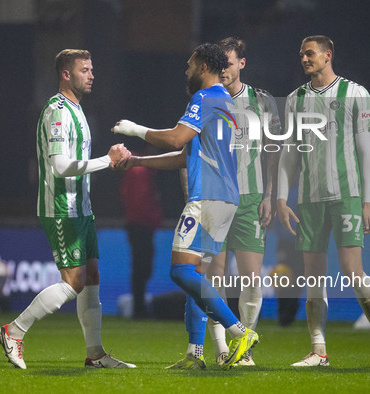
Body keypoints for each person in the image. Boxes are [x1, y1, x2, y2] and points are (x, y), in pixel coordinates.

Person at [112, 43, 259, 370]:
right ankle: (195, 355)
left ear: (205, 66)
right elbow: (183, 156)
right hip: (225, 199)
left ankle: (239, 331)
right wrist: (137, 161)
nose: (186, 71)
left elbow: (177, 139)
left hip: (206, 197)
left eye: (190, 65)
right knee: (198, 274)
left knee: (180, 271)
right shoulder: (224, 103)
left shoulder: (204, 98)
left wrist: (136, 130)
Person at [0, 49, 135, 370]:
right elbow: (59, 167)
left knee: (92, 277)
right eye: (85, 70)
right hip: (61, 208)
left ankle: (96, 354)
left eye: (92, 69)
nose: (92, 75)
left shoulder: (77, 110)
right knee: (73, 282)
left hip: (81, 209)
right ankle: (13, 331)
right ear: (66, 74)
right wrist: (108, 160)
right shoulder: (57, 112)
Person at [277, 36, 370, 367]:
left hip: (346, 196)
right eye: (301, 53)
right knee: (313, 277)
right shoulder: (295, 99)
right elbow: (289, 151)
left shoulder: (356, 94)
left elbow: (364, 152)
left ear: (328, 56)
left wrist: (367, 202)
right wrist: (282, 197)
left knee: (352, 271)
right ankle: (319, 350)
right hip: (310, 200)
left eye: (310, 53)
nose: (304, 58)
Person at [202, 37, 281, 366]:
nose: (223, 70)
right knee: (214, 277)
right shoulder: (205, 100)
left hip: (251, 198)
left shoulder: (262, 101)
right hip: (215, 198)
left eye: (229, 63)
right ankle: (222, 349)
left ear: (242, 64)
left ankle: (244, 347)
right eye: (219, 65)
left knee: (251, 278)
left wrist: (270, 195)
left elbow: (274, 149)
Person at [120, 149, 163, 319]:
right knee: (141, 267)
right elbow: (140, 200)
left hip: (139, 223)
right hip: (140, 224)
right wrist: (152, 218)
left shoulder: (138, 171)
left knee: (141, 267)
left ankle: (139, 307)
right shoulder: (139, 171)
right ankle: (139, 308)